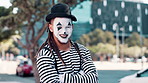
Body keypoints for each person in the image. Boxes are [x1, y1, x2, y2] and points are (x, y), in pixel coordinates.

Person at [36, 3, 98, 83]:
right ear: (51, 28)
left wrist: (62, 78)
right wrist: (81, 75)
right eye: (59, 27)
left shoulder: (82, 51)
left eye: (67, 27)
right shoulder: (45, 54)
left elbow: (93, 79)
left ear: (72, 27)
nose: (64, 31)